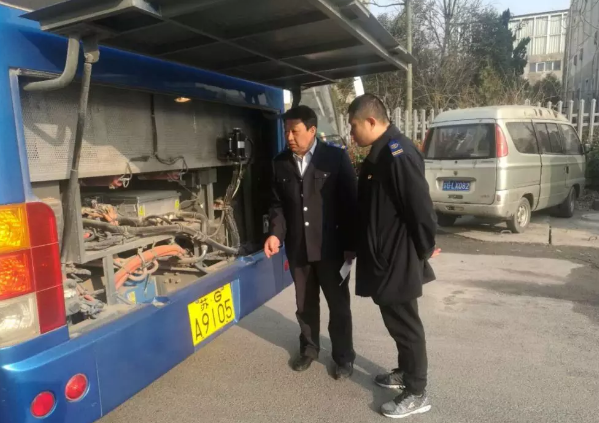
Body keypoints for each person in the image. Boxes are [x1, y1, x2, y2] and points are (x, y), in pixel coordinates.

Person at [348, 94, 437, 418]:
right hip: (384, 255)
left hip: (397, 256)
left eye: (354, 126)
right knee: (395, 320)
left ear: (371, 121)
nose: (351, 134)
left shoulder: (398, 154)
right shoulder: (382, 152)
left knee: (406, 325)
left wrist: (424, 249)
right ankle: (405, 372)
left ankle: (417, 391)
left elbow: (420, 208)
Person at [264, 105, 358, 379]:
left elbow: (350, 204)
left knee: (338, 306)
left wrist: (351, 245)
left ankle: (343, 356)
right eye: (286, 131)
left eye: (295, 131)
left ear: (312, 130)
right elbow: (277, 205)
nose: (289, 137)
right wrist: (275, 233)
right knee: (305, 304)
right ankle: (309, 348)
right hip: (299, 248)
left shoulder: (335, 158)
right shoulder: (280, 163)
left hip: (332, 249)